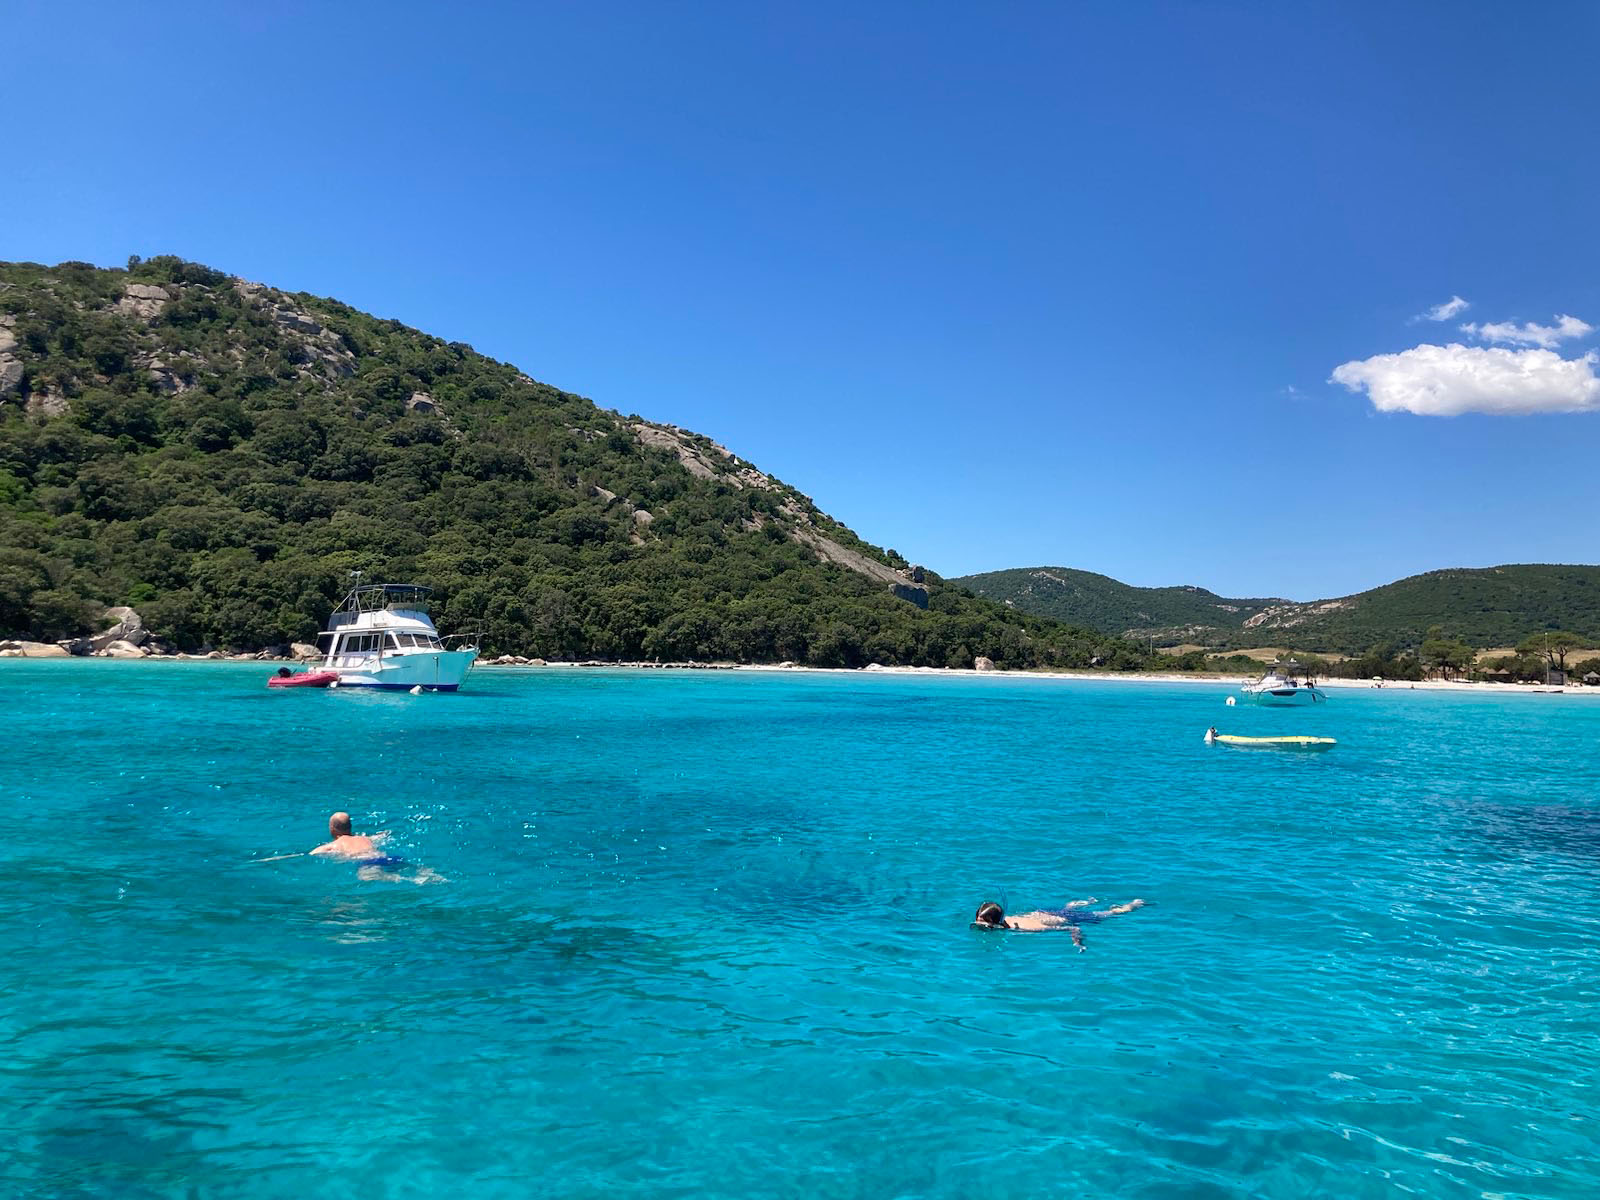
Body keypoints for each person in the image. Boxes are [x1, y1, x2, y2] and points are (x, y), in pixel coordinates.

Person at [972, 897, 1146, 950]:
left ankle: (1132, 905)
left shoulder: (1028, 929)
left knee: (1107, 915)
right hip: (1046, 913)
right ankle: (1080, 902)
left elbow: (1072, 927)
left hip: (1066, 919)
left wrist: (1078, 942)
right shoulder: (1005, 921)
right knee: (1066, 909)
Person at [310, 811, 405, 871]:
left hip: (367, 862)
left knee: (368, 877)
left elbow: (313, 853)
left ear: (332, 829)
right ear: (350, 826)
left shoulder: (333, 845)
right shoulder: (365, 838)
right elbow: (382, 836)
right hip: (385, 857)